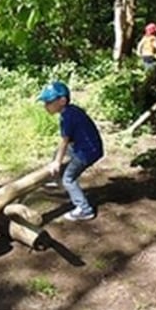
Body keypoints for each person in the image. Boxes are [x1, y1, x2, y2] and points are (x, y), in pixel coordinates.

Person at [38, 81, 103, 221]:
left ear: (62, 101)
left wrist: (57, 162)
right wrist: (58, 159)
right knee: (58, 153)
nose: (46, 106)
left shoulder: (67, 117)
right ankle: (56, 179)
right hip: (85, 146)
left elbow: (64, 140)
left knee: (68, 178)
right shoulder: (70, 111)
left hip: (88, 152)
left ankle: (85, 210)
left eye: (48, 102)